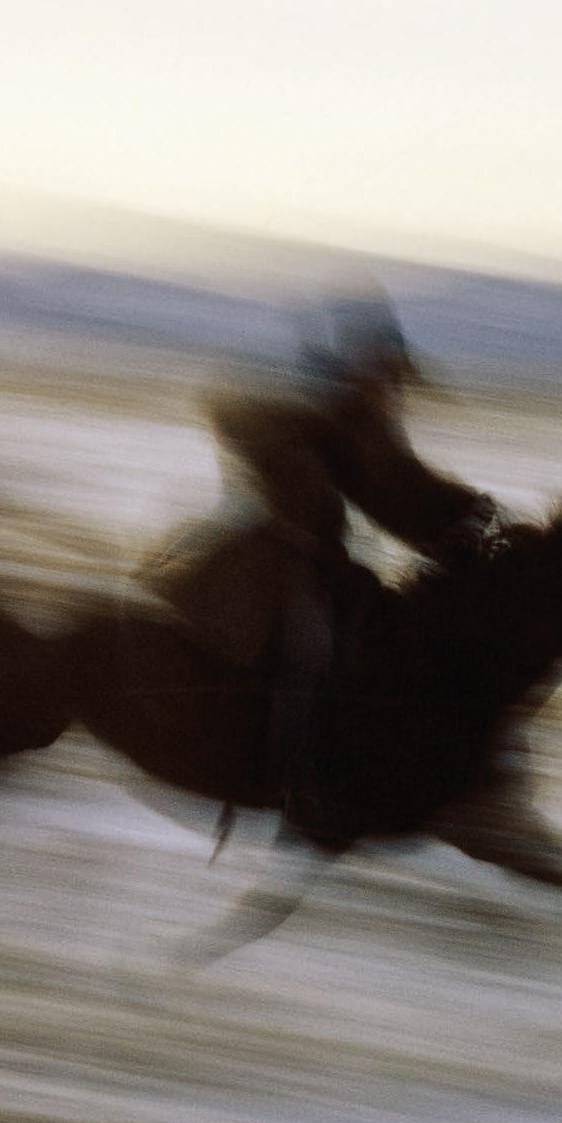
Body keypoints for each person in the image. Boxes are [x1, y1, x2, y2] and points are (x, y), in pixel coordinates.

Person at [140, 291, 503, 833]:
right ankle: (292, 781)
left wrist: (463, 512)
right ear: (367, 362)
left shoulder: (344, 401)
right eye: (387, 368)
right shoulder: (334, 403)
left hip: (283, 526)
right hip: (279, 536)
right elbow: (387, 487)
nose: (394, 383)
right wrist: (461, 513)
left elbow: (393, 487)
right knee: (311, 644)